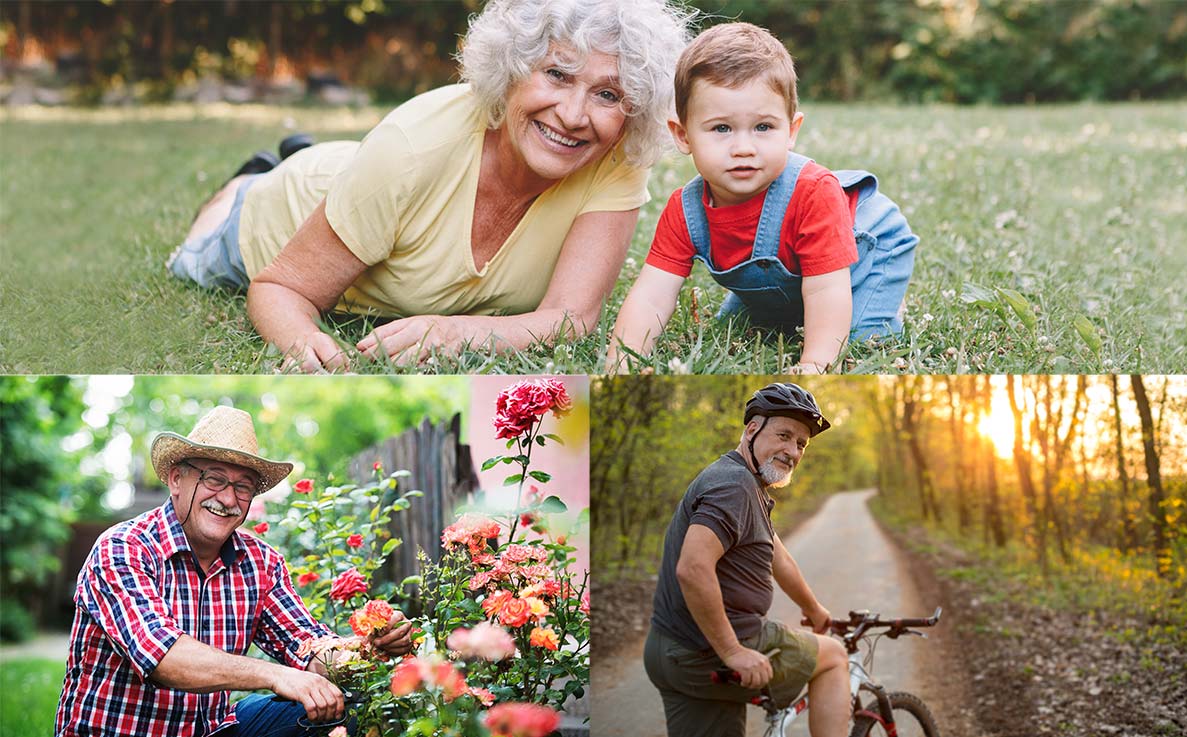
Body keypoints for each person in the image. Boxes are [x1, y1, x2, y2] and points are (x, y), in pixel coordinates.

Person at [167, 0, 692, 372]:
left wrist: (452, 331)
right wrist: (305, 343)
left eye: (606, 93)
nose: (575, 115)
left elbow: (572, 318)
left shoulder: (615, 154)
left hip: (369, 182)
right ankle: (247, 179)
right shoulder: (414, 146)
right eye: (556, 75)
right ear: (510, 70)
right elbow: (279, 287)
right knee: (195, 253)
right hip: (278, 212)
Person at [54, 406, 413, 736]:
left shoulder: (261, 563)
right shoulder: (123, 549)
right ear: (176, 479)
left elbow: (307, 646)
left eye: (243, 487)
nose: (228, 499)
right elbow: (165, 659)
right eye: (214, 479)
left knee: (335, 706)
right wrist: (275, 675)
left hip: (211, 731)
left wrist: (368, 645)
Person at [608, 23, 918, 374]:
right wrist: (623, 360)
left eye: (763, 127)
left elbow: (825, 290)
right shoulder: (685, 210)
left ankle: (884, 300)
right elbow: (652, 295)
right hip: (797, 276)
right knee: (737, 331)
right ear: (683, 135)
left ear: (791, 131)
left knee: (858, 334)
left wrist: (815, 364)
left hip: (866, 257)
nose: (744, 148)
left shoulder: (813, 193)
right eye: (721, 128)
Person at [643, 383, 851, 737]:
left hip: (669, 651)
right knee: (833, 658)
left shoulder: (742, 481)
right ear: (752, 429)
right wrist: (732, 651)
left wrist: (814, 610)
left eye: (801, 444)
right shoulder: (735, 486)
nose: (792, 451)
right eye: (784, 435)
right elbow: (693, 568)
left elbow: (777, 555)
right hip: (707, 650)